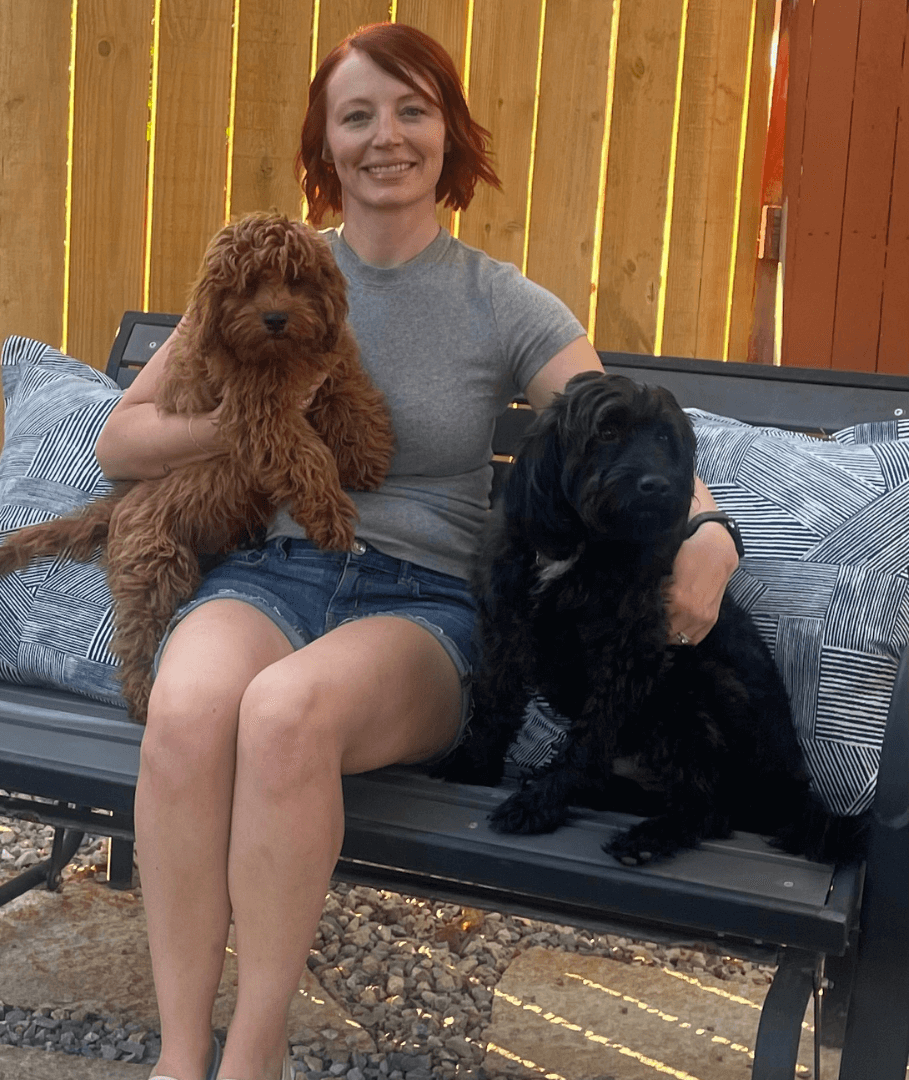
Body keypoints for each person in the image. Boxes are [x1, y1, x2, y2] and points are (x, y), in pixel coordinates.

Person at [94, 22, 739, 1080]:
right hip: (273, 575)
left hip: (424, 608)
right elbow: (124, 441)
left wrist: (711, 532)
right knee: (188, 710)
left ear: (448, 136)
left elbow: (615, 422)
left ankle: (251, 1059)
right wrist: (260, 420)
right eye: (357, 115)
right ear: (325, 145)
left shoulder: (501, 301)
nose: (384, 137)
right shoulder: (278, 273)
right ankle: (178, 1055)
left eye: (411, 111)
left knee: (285, 713)